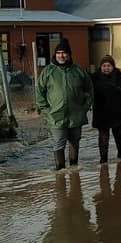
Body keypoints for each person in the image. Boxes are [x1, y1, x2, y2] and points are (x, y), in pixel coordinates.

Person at [36, 38, 92, 170]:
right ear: (55, 54)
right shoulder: (48, 71)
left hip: (76, 115)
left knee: (75, 142)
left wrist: (85, 107)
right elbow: (39, 92)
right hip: (56, 116)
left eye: (64, 53)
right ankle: (60, 172)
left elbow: (90, 90)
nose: (61, 55)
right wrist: (47, 111)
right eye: (59, 53)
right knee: (58, 144)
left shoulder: (78, 71)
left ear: (69, 54)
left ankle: (74, 171)